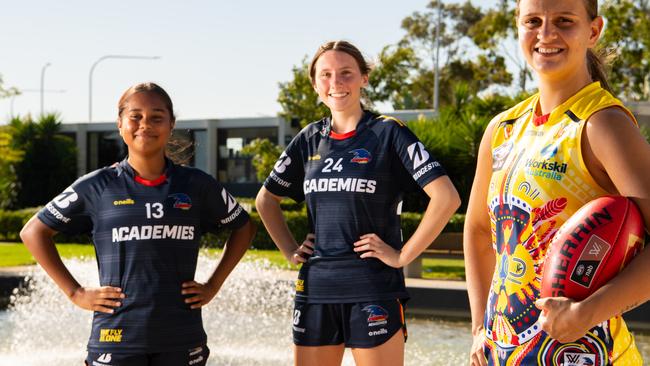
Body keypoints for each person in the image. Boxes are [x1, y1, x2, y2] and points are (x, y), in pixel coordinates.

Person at [464, 0, 650, 364]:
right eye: (533, 20)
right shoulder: (502, 129)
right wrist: (479, 328)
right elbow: (479, 230)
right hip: (505, 355)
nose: (546, 33)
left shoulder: (603, 124)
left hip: (588, 353)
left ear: (593, 31)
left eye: (564, 21)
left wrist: (587, 313)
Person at [19, 82, 256, 366]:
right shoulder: (97, 186)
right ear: (120, 124)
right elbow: (34, 231)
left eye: (157, 117)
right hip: (115, 336)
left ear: (171, 125)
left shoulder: (196, 184)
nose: (145, 124)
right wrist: (76, 292)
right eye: (135, 116)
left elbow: (244, 226)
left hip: (181, 335)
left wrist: (213, 285)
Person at [255, 40, 460, 366]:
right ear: (315, 84)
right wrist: (289, 249)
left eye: (346, 73)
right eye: (326, 75)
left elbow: (446, 197)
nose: (335, 83)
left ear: (364, 78)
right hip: (316, 290)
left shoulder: (388, 133)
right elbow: (266, 200)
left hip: (373, 289)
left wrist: (402, 255)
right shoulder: (308, 139)